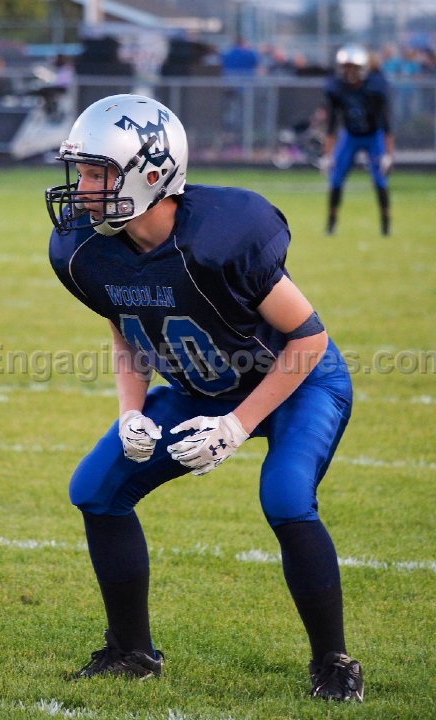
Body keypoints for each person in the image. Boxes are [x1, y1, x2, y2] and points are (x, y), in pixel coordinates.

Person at [46, 94, 364, 702]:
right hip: (200, 386)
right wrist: (130, 411)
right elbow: (126, 328)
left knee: (286, 497)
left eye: (96, 174)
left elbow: (309, 338)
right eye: (80, 172)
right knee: (95, 490)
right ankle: (132, 651)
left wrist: (237, 426)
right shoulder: (84, 249)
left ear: (152, 174)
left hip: (298, 381)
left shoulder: (223, 234)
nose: (81, 190)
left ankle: (334, 663)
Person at [321, 45, 394, 236]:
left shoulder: (375, 88)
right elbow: (332, 123)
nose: (349, 72)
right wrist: (328, 155)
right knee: (336, 177)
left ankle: (386, 224)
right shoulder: (337, 89)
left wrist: (388, 154)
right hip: (350, 135)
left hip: (373, 135)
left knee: (380, 179)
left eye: (353, 67)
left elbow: (386, 122)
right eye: (346, 67)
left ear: (363, 68)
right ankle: (331, 224)